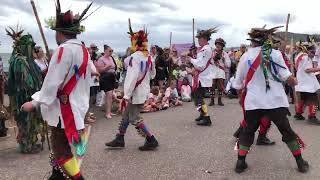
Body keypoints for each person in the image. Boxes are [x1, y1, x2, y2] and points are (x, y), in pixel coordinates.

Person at [21, 1, 94, 179]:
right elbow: (91, 74)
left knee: (61, 149)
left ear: (59, 33)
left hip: (64, 108)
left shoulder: (62, 51)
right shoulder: (84, 50)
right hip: (77, 104)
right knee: (57, 144)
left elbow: (52, 83)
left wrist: (35, 102)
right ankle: (57, 175)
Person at [232, 26, 309, 173]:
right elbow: (287, 77)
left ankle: (240, 162)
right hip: (275, 101)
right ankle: (300, 162)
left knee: (248, 131)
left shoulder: (245, 56)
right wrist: (295, 81)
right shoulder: (276, 54)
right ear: (268, 41)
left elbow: (238, 83)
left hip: (254, 102)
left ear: (253, 42)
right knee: (286, 131)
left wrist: (240, 97)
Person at [105, 21, 159, 151]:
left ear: (135, 43)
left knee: (134, 118)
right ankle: (119, 138)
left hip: (135, 93)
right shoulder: (149, 57)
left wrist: (126, 95)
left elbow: (132, 77)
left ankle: (151, 139)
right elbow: (152, 74)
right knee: (126, 115)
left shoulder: (135, 57)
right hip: (142, 91)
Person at [6, 27, 44, 154]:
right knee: (24, 122)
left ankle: (31, 142)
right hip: (22, 98)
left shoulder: (28, 60)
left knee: (32, 122)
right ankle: (26, 146)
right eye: (30, 46)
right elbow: (23, 83)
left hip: (31, 97)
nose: (32, 50)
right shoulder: (19, 61)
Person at [187, 27, 217, 126]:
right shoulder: (204, 49)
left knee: (198, 98)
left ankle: (206, 117)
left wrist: (190, 59)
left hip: (202, 78)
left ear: (204, 39)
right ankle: (202, 114)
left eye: (199, 39)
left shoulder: (206, 50)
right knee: (196, 98)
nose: (198, 41)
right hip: (200, 77)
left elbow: (200, 65)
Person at [294, 41, 320, 124]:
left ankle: (298, 113)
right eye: (312, 51)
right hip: (307, 84)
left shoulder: (299, 55)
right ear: (306, 49)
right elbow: (307, 69)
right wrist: (318, 69)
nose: (314, 53)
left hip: (302, 82)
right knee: (314, 101)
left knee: (303, 100)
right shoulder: (305, 57)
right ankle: (312, 116)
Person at [96, 45, 118, 119]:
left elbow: (114, 67)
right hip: (105, 78)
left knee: (111, 95)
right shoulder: (101, 59)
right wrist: (107, 67)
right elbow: (99, 71)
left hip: (112, 77)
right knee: (109, 95)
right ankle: (107, 113)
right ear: (105, 51)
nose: (111, 52)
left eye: (112, 51)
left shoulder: (111, 58)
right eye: (110, 51)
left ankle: (108, 111)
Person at [209, 38, 231, 106]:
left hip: (220, 71)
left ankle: (219, 101)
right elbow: (209, 61)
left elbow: (228, 64)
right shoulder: (212, 52)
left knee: (220, 87)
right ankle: (212, 100)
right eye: (217, 44)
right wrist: (213, 61)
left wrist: (224, 60)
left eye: (219, 44)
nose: (218, 45)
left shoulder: (224, 54)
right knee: (212, 86)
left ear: (222, 46)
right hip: (213, 70)